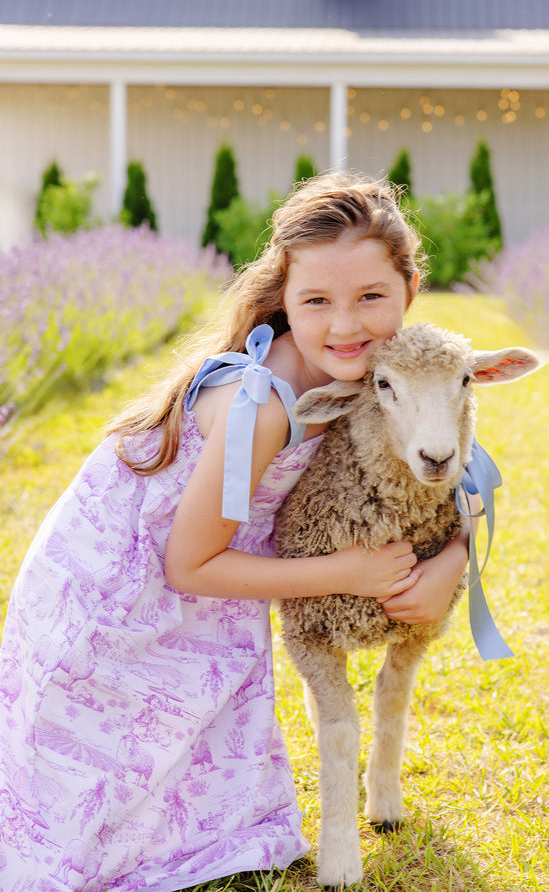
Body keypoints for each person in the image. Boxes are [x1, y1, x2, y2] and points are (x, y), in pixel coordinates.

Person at [0, 172, 472, 891]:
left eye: (370, 297)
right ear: (283, 299)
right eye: (316, 301)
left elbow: (458, 467)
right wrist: (348, 571)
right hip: (114, 605)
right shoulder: (264, 406)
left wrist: (453, 559)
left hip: (200, 587)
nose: (345, 326)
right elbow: (186, 563)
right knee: (83, 825)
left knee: (213, 797)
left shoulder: (381, 378)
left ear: (410, 291)